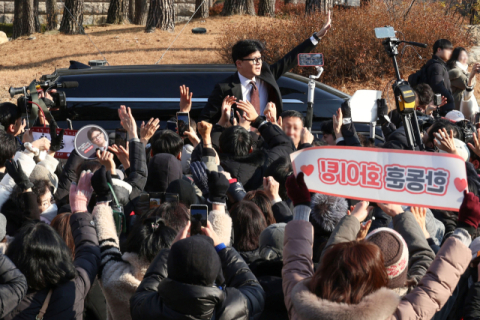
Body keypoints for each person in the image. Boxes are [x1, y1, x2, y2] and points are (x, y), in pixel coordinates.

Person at [282, 172, 473, 320]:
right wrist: (400, 213)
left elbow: (297, 262)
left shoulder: (302, 306)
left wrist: (301, 205)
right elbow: (432, 275)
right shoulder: (400, 313)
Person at [198, 12, 332, 123]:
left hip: (267, 139)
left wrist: (316, 37)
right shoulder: (225, 88)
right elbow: (205, 121)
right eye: (254, 60)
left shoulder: (266, 74)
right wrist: (224, 121)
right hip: (240, 143)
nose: (259, 63)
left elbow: (290, 59)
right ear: (239, 63)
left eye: (260, 59)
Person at [4, 171, 101, 320]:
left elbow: (33, 241)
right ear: (59, 252)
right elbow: (89, 251)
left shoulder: (8, 296)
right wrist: (80, 210)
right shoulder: (73, 288)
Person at [129, 222, 266, 320]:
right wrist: (222, 248)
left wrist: (170, 252)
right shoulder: (234, 306)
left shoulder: (150, 309)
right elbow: (253, 287)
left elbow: (147, 286)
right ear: (215, 271)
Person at [424, 39, 455, 115]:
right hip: (440, 109)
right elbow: (437, 85)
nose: (450, 53)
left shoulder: (438, 65)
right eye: (448, 50)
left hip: (439, 107)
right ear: (439, 49)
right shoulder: (437, 66)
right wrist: (450, 98)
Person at [447, 47, 480, 114]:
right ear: (456, 57)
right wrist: (471, 74)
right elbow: (465, 84)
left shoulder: (464, 70)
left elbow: (472, 86)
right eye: (462, 55)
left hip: (464, 102)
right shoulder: (455, 71)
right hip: (457, 106)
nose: (465, 58)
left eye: (466, 56)